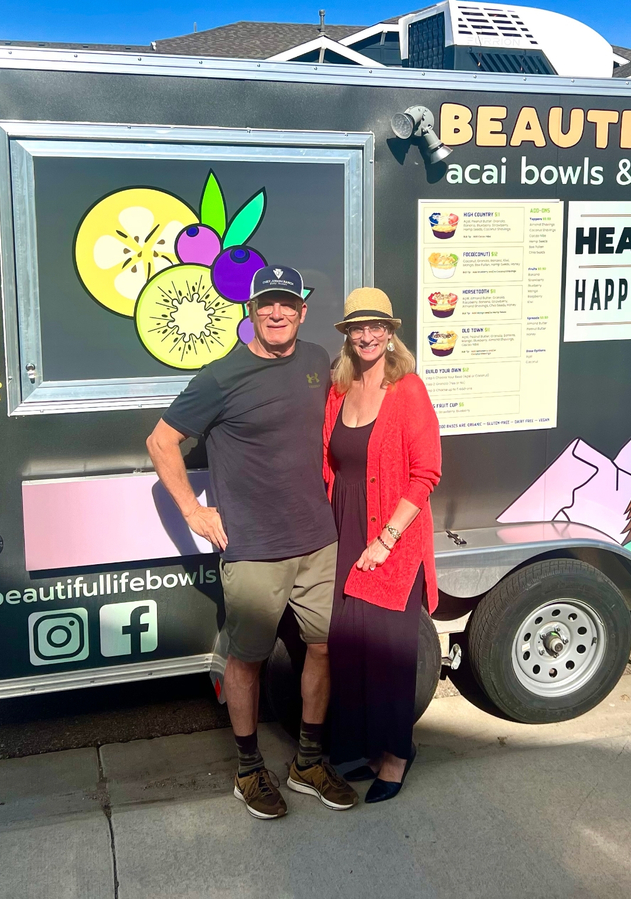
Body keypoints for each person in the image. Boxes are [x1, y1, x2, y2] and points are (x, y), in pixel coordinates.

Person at [146, 265, 357, 820]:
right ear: (251, 311)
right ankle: (247, 770)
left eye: (287, 304)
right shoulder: (220, 377)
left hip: (318, 542)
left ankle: (307, 762)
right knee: (246, 662)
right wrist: (192, 509)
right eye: (267, 304)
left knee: (322, 648)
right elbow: (161, 441)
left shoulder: (316, 361)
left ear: (302, 311)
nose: (277, 313)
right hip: (254, 548)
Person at [322, 287, 442, 804]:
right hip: (343, 532)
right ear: (347, 336)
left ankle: (396, 756)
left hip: (392, 538)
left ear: (391, 334)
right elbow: (329, 464)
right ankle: (369, 749)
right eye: (357, 327)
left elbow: (426, 474)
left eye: (377, 327)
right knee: (352, 651)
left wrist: (385, 540)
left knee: (391, 656)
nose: (367, 336)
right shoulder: (337, 390)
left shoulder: (408, 389)